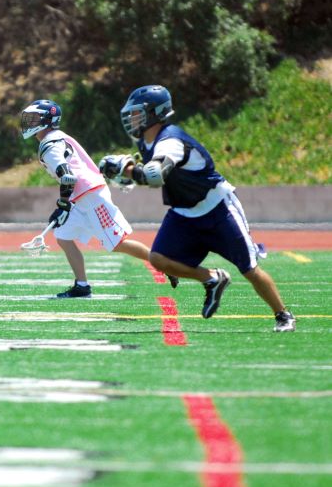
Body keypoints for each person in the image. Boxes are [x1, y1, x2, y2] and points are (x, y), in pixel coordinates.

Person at [99, 84, 295, 332]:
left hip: (217, 209)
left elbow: (154, 174)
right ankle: (211, 277)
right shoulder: (146, 143)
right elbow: (147, 175)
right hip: (184, 212)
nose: (132, 119)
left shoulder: (171, 139)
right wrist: (126, 174)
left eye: (137, 113)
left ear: (154, 113)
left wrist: (127, 170)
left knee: (249, 269)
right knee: (158, 259)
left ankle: (283, 315)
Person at [19, 99, 176, 298]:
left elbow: (67, 175)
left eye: (34, 119)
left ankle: (165, 264)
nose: (30, 123)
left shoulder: (49, 143)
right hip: (82, 195)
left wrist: (62, 204)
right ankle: (82, 286)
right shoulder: (55, 138)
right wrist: (66, 204)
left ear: (48, 120)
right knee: (63, 235)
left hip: (90, 195)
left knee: (118, 244)